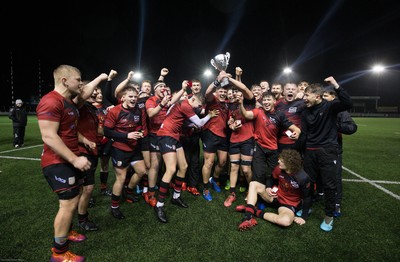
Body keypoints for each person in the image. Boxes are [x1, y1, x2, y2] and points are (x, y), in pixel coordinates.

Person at [36, 64, 107, 261]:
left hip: (69, 159)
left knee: (74, 200)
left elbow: (69, 129)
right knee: (67, 205)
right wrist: (74, 159)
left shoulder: (67, 102)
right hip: (57, 161)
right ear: (65, 80)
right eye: (78, 79)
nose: (81, 82)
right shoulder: (50, 101)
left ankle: (67, 232)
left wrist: (84, 140)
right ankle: (58, 254)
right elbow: (49, 136)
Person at [154, 82, 219, 223]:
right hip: (166, 135)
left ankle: (176, 197)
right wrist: (210, 115)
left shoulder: (184, 105)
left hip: (174, 135)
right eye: (198, 106)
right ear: (194, 99)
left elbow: (185, 122)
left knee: (183, 167)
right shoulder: (186, 105)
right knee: (171, 169)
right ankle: (159, 205)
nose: (197, 108)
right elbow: (200, 123)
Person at [301, 76, 353, 232]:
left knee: (330, 185)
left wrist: (337, 86)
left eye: (307, 96)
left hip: (327, 152)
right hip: (310, 151)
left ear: (317, 96)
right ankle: (306, 209)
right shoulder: (305, 111)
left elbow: (348, 103)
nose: (304, 99)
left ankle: (329, 217)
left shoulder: (330, 107)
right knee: (308, 183)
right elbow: (304, 134)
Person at [235, 149, 312, 231]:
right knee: (253, 184)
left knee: (285, 221)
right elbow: (271, 178)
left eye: (281, 161)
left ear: (289, 164)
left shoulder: (302, 177)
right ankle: (248, 216)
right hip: (275, 196)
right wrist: (268, 187)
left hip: (288, 204)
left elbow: (308, 197)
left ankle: (254, 211)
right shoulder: (279, 168)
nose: (278, 161)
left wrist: (304, 217)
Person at [103, 86, 147, 219]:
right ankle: (114, 207)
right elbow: (107, 131)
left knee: (141, 171)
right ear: (123, 98)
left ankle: (128, 192)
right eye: (130, 96)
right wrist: (126, 136)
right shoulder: (115, 111)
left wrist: (141, 133)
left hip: (134, 148)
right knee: (120, 178)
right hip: (119, 148)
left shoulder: (139, 111)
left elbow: (144, 129)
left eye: (135, 97)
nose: (133, 99)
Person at [323, 89, 358, 217]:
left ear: (333, 97)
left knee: (335, 177)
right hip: (318, 149)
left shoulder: (339, 110)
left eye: (325, 96)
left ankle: (336, 204)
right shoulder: (318, 108)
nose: (323, 98)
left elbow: (352, 127)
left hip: (334, 150)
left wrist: (336, 125)